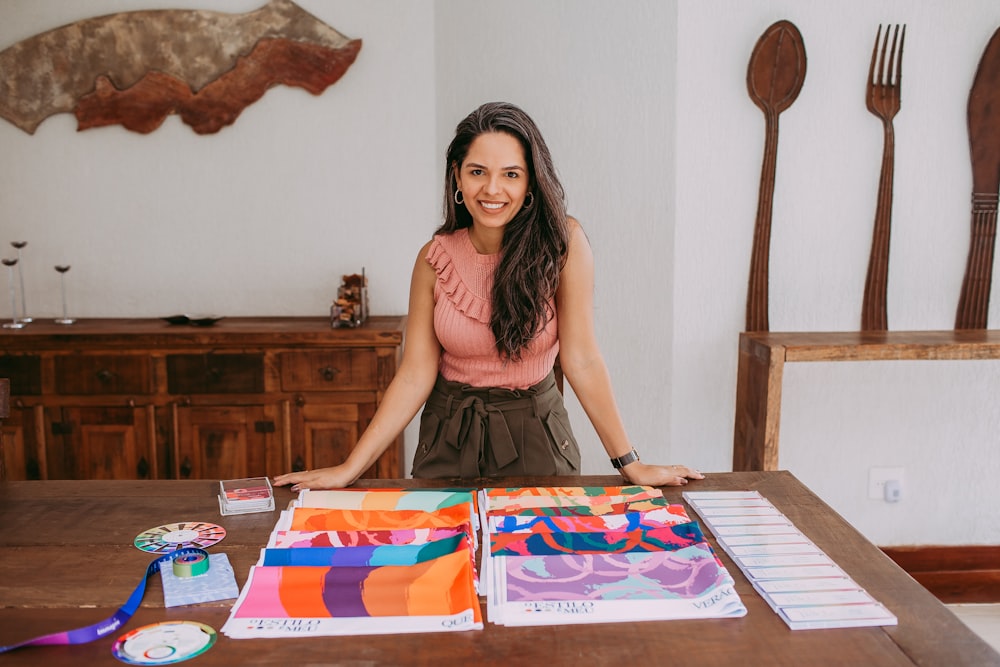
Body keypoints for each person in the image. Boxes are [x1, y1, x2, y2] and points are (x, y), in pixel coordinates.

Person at [273, 102, 703, 492]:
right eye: (478, 171)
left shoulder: (563, 244)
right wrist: (351, 468)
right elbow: (414, 374)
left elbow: (583, 359)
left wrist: (629, 462)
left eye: (510, 174)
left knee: (537, 568)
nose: (492, 190)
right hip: (447, 432)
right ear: (457, 175)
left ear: (531, 179)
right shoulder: (433, 258)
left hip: (536, 433)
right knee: (438, 568)